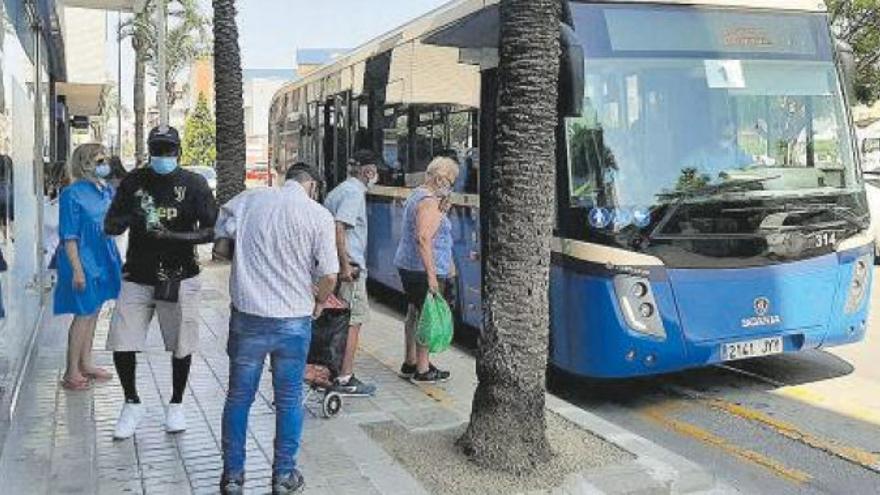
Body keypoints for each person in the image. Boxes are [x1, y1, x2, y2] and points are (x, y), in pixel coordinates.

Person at [215, 163, 339, 495]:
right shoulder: (318, 215)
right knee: (288, 400)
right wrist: (319, 303)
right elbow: (329, 274)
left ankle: (233, 477)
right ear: (310, 184)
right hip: (294, 322)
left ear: (287, 180)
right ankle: (284, 476)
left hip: (248, 318)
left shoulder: (250, 200)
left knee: (239, 398)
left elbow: (223, 226)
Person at [104, 126, 218, 439]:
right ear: (149, 149)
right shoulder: (134, 181)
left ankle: (177, 403)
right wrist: (130, 216)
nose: (162, 156)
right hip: (137, 276)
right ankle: (131, 402)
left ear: (178, 152)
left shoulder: (194, 184)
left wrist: (175, 236)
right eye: (157, 150)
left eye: (168, 150)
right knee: (122, 340)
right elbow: (111, 225)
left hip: (179, 276)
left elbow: (211, 230)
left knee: (181, 343)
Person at [54, 143, 122, 390]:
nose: (104, 165)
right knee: (83, 313)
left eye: (105, 159)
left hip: (103, 257)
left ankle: (86, 362)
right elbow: (69, 236)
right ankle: (71, 371)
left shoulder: (103, 190)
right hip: (82, 259)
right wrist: (78, 269)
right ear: (85, 164)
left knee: (93, 311)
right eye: (99, 160)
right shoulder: (72, 194)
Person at [393, 156, 459, 383]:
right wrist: (432, 276)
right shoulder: (428, 201)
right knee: (426, 316)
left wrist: (442, 210)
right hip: (422, 269)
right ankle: (422, 369)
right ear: (440, 178)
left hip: (409, 265)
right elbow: (423, 237)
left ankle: (410, 362)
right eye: (451, 181)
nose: (451, 186)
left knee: (414, 313)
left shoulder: (418, 195)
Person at [323, 149, 379, 397]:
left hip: (337, 265)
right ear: (368, 171)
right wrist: (346, 267)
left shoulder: (340, 190)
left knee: (337, 321)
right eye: (375, 171)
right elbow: (339, 227)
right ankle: (345, 377)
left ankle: (333, 371)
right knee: (352, 322)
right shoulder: (354, 193)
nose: (376, 176)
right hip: (351, 270)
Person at [683, 120, 754, 181]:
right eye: (721, 136)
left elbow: (755, 170)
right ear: (713, 135)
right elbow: (681, 175)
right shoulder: (697, 157)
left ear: (734, 137)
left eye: (728, 137)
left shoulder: (738, 155)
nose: (724, 142)